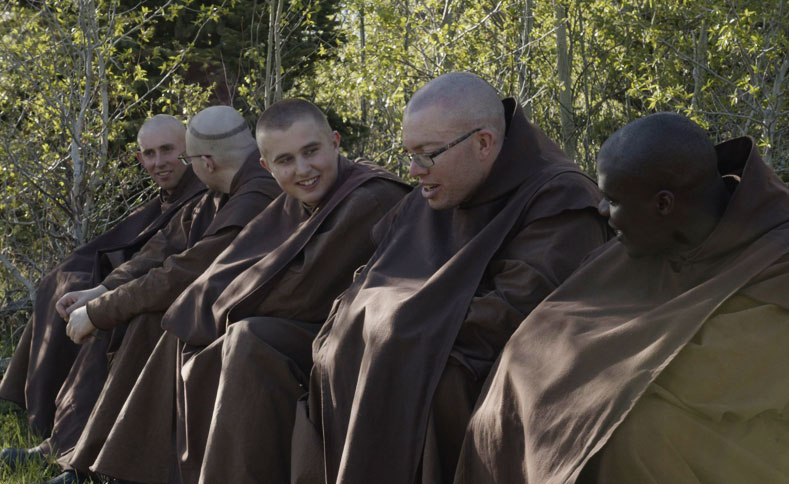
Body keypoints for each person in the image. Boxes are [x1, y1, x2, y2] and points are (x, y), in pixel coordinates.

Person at [63, 99, 409, 484]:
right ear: (268, 165)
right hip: (300, 320)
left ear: (335, 142)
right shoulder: (293, 198)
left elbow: (304, 290)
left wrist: (220, 310)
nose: (303, 169)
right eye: (286, 160)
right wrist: (186, 304)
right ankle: (117, 470)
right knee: (181, 318)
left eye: (311, 152)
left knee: (240, 334)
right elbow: (233, 262)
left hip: (346, 336)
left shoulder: (369, 195)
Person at [291, 72, 609, 484]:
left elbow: (518, 308)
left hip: (486, 366)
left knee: (429, 379)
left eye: (426, 154)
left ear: (483, 143)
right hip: (413, 341)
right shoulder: (439, 185)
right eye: (409, 153)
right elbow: (374, 273)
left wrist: (401, 333)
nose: (413, 170)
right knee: (335, 349)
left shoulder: (560, 196)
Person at [454, 113, 789, 484]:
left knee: (628, 432)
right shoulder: (650, 235)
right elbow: (552, 322)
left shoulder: (777, 258)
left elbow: (703, 377)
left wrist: (580, 372)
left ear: (663, 204)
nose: (601, 211)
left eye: (611, 200)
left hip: (747, 443)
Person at [9, 105, 282, 484]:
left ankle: (101, 465)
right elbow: (166, 247)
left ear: (205, 161)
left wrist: (101, 310)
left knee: (150, 319)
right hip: (225, 306)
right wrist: (101, 291)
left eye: (180, 155)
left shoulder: (255, 193)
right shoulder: (227, 189)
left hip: (257, 318)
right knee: (132, 312)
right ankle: (86, 455)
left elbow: (185, 271)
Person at [0, 114, 205, 446]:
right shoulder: (165, 196)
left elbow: (164, 255)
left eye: (167, 150)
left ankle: (68, 437)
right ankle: (36, 408)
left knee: (101, 313)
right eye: (149, 154)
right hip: (139, 275)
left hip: (174, 296)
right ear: (139, 158)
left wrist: (104, 291)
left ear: (190, 150)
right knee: (61, 279)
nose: (159, 163)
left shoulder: (203, 194)